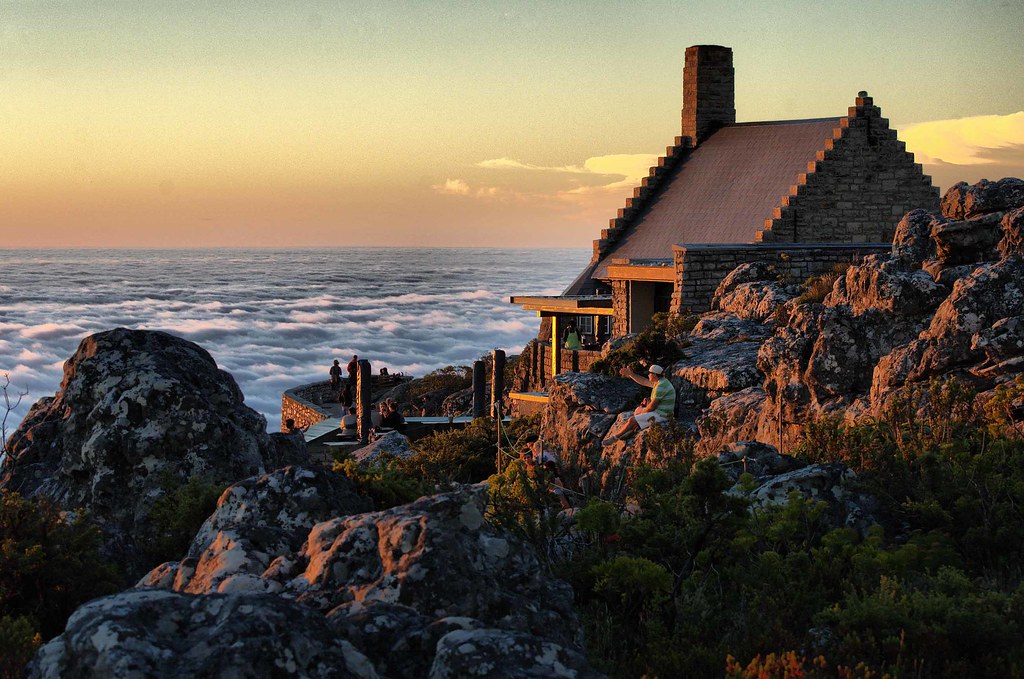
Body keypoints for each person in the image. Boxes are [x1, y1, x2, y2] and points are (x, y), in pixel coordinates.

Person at [602, 364, 676, 445]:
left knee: (632, 420)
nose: (648, 375)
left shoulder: (661, 386)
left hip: (662, 415)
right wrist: (630, 374)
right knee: (637, 410)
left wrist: (641, 414)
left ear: (654, 375)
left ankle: (615, 438)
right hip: (659, 411)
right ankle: (633, 429)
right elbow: (643, 381)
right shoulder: (660, 382)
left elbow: (651, 407)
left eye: (649, 373)